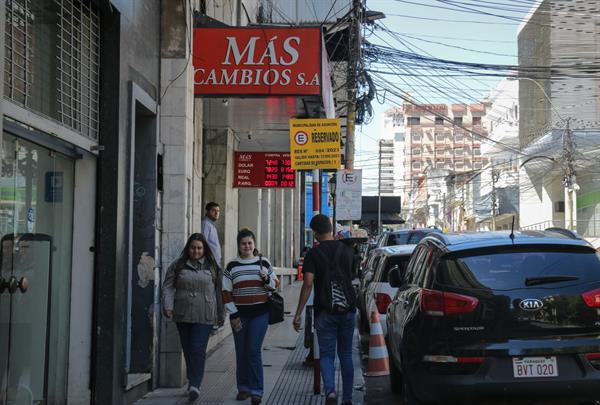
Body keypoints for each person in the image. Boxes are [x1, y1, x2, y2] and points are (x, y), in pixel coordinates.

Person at [293, 214, 357, 405]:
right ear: (331, 229)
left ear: (315, 233)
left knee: (327, 355)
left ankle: (330, 391)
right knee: (346, 355)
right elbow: (353, 276)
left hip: (325, 311)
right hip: (348, 310)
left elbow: (308, 284)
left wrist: (298, 313)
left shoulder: (313, 254)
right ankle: (347, 398)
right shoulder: (347, 250)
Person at [162, 233, 224, 402]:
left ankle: (195, 384)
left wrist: (221, 314)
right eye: (193, 247)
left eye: (199, 248)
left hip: (204, 314)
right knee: (188, 349)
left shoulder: (213, 266)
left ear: (204, 249)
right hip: (182, 313)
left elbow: (219, 292)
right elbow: (168, 287)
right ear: (188, 248)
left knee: (197, 349)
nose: (196, 251)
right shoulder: (178, 265)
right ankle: (192, 379)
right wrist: (168, 306)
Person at [223, 229, 278, 405]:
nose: (247, 246)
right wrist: (234, 314)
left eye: (249, 243)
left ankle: (256, 391)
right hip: (239, 316)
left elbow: (275, 285)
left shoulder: (264, 262)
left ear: (254, 244)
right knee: (241, 352)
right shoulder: (232, 266)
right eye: (243, 243)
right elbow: (226, 292)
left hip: (260, 314)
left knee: (253, 350)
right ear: (238, 246)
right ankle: (243, 388)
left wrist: (266, 278)